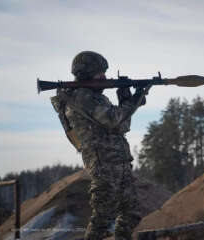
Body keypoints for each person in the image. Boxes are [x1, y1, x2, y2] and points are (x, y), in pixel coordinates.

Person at [51, 51, 148, 240]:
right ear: (87, 74)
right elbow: (113, 119)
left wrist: (127, 100)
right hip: (103, 164)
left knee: (131, 214)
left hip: (118, 161)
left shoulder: (96, 98)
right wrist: (134, 100)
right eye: (100, 73)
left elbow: (122, 125)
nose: (104, 77)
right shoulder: (81, 97)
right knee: (102, 220)